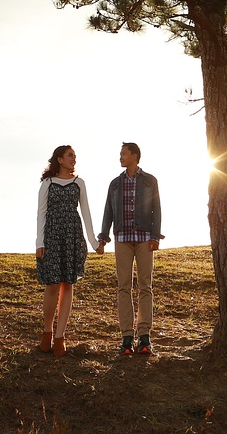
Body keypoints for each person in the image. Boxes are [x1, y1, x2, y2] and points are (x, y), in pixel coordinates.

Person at [96, 141, 163, 356]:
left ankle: (144, 337)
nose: (120, 157)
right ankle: (126, 337)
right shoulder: (115, 183)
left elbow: (156, 209)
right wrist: (104, 236)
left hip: (144, 237)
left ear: (134, 155)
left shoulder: (150, 181)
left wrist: (155, 236)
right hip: (122, 238)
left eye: (123, 154)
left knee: (146, 286)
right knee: (123, 287)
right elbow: (108, 210)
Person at [35, 145, 99, 358]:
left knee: (67, 284)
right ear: (59, 159)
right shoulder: (48, 183)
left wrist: (94, 241)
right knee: (52, 284)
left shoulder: (79, 183)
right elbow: (41, 214)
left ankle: (60, 336)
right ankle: (47, 333)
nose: (74, 159)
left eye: (75, 156)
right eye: (70, 155)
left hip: (72, 234)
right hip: (52, 235)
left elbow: (86, 213)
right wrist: (39, 243)